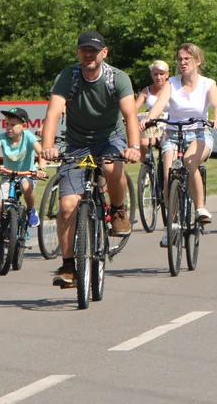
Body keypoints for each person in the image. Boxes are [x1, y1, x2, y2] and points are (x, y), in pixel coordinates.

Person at [40, 31, 141, 289]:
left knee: (109, 165)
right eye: (84, 49)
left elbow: (130, 115)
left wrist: (134, 147)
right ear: (78, 53)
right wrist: (48, 147)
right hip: (78, 146)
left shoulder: (117, 78)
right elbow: (52, 114)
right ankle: (68, 265)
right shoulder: (68, 77)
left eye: (94, 50)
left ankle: (118, 209)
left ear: (104, 53)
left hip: (110, 139)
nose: (89, 54)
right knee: (67, 205)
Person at [144, 43, 217, 232]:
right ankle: (171, 226)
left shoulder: (208, 84)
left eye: (187, 59)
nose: (183, 62)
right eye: (180, 59)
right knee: (168, 175)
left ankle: (200, 208)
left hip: (199, 133)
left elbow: (216, 105)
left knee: (190, 161)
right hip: (173, 133)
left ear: (198, 61)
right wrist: (150, 119)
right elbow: (160, 103)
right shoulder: (172, 83)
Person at [0, 108, 46, 255]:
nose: (9, 128)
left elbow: (41, 152)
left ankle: (31, 210)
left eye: (13, 125)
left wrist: (41, 168)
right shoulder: (3, 138)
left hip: (26, 174)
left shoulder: (28, 137)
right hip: (8, 175)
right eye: (7, 124)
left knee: (26, 186)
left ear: (24, 126)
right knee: (0, 206)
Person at [135, 60, 170, 149]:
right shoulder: (146, 91)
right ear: (151, 75)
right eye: (155, 74)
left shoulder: (173, 89)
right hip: (152, 124)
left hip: (169, 124)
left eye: (161, 74)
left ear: (167, 74)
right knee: (143, 142)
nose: (158, 77)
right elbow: (134, 109)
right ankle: (146, 162)